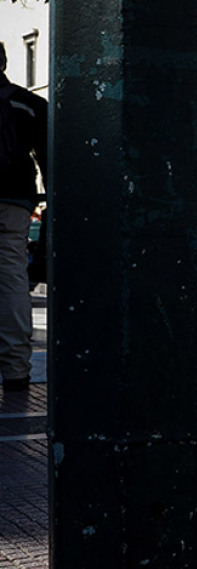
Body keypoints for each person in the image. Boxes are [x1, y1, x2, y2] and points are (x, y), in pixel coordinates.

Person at [0, 43, 47, 393]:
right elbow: (49, 158)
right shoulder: (27, 103)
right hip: (13, 202)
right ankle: (16, 369)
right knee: (12, 279)